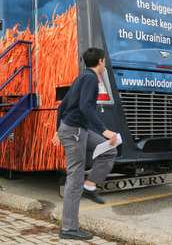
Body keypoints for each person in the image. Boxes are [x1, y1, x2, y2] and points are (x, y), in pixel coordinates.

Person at [52, 47, 117, 241]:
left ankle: (89, 186)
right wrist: (104, 129)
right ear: (100, 62)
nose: (104, 64)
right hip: (75, 132)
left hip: (77, 129)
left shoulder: (81, 77)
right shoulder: (90, 79)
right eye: (104, 61)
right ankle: (69, 228)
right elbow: (85, 107)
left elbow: (62, 106)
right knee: (74, 178)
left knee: (108, 149)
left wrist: (57, 129)